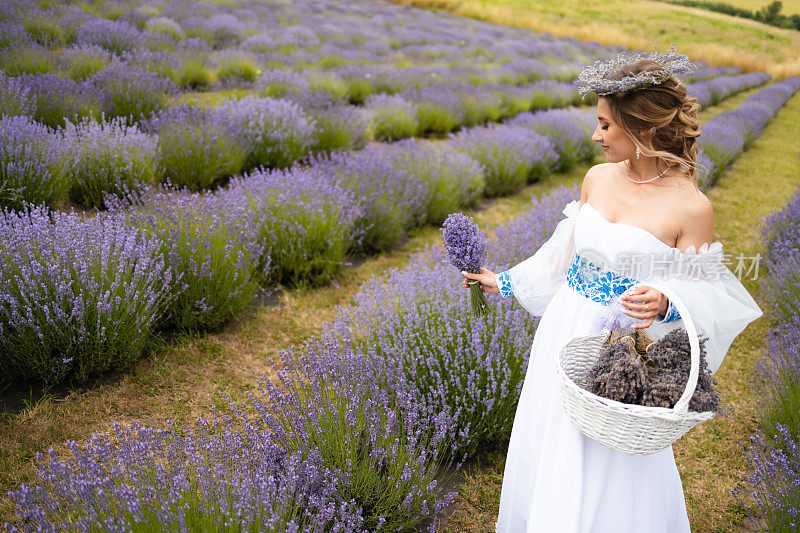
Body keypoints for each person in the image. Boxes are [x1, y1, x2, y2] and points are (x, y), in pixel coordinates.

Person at [461, 44, 764, 532]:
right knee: (551, 436)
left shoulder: (692, 207)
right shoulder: (597, 179)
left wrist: (668, 301)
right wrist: (508, 280)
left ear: (642, 128)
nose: (596, 135)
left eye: (605, 124)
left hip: (623, 346)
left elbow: (705, 291)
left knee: (610, 453)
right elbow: (567, 250)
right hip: (565, 328)